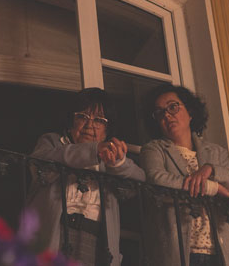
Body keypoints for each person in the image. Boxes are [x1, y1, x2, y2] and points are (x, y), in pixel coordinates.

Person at [27, 88, 145, 266]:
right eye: (82, 117)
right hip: (55, 235)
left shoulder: (110, 155)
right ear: (71, 122)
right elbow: (39, 164)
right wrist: (93, 150)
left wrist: (117, 163)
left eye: (99, 120)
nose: (90, 125)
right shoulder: (53, 142)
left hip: (95, 242)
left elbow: (139, 181)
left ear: (107, 130)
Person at [141, 85, 229, 266]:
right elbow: (157, 181)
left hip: (222, 254)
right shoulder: (154, 149)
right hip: (180, 253)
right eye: (159, 112)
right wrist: (214, 187)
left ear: (190, 111)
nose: (167, 115)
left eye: (173, 107)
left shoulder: (216, 152)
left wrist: (212, 170)